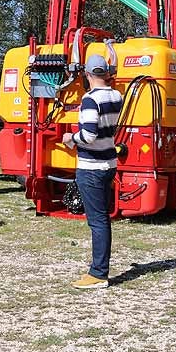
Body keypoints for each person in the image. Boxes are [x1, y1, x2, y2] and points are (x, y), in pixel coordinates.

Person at [60, 54, 122, 290]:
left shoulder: (89, 100)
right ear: (106, 73)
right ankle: (99, 270)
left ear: (86, 75)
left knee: (97, 222)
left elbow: (88, 135)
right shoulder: (117, 96)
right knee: (103, 219)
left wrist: (70, 139)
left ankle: (98, 273)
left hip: (91, 167)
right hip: (109, 164)